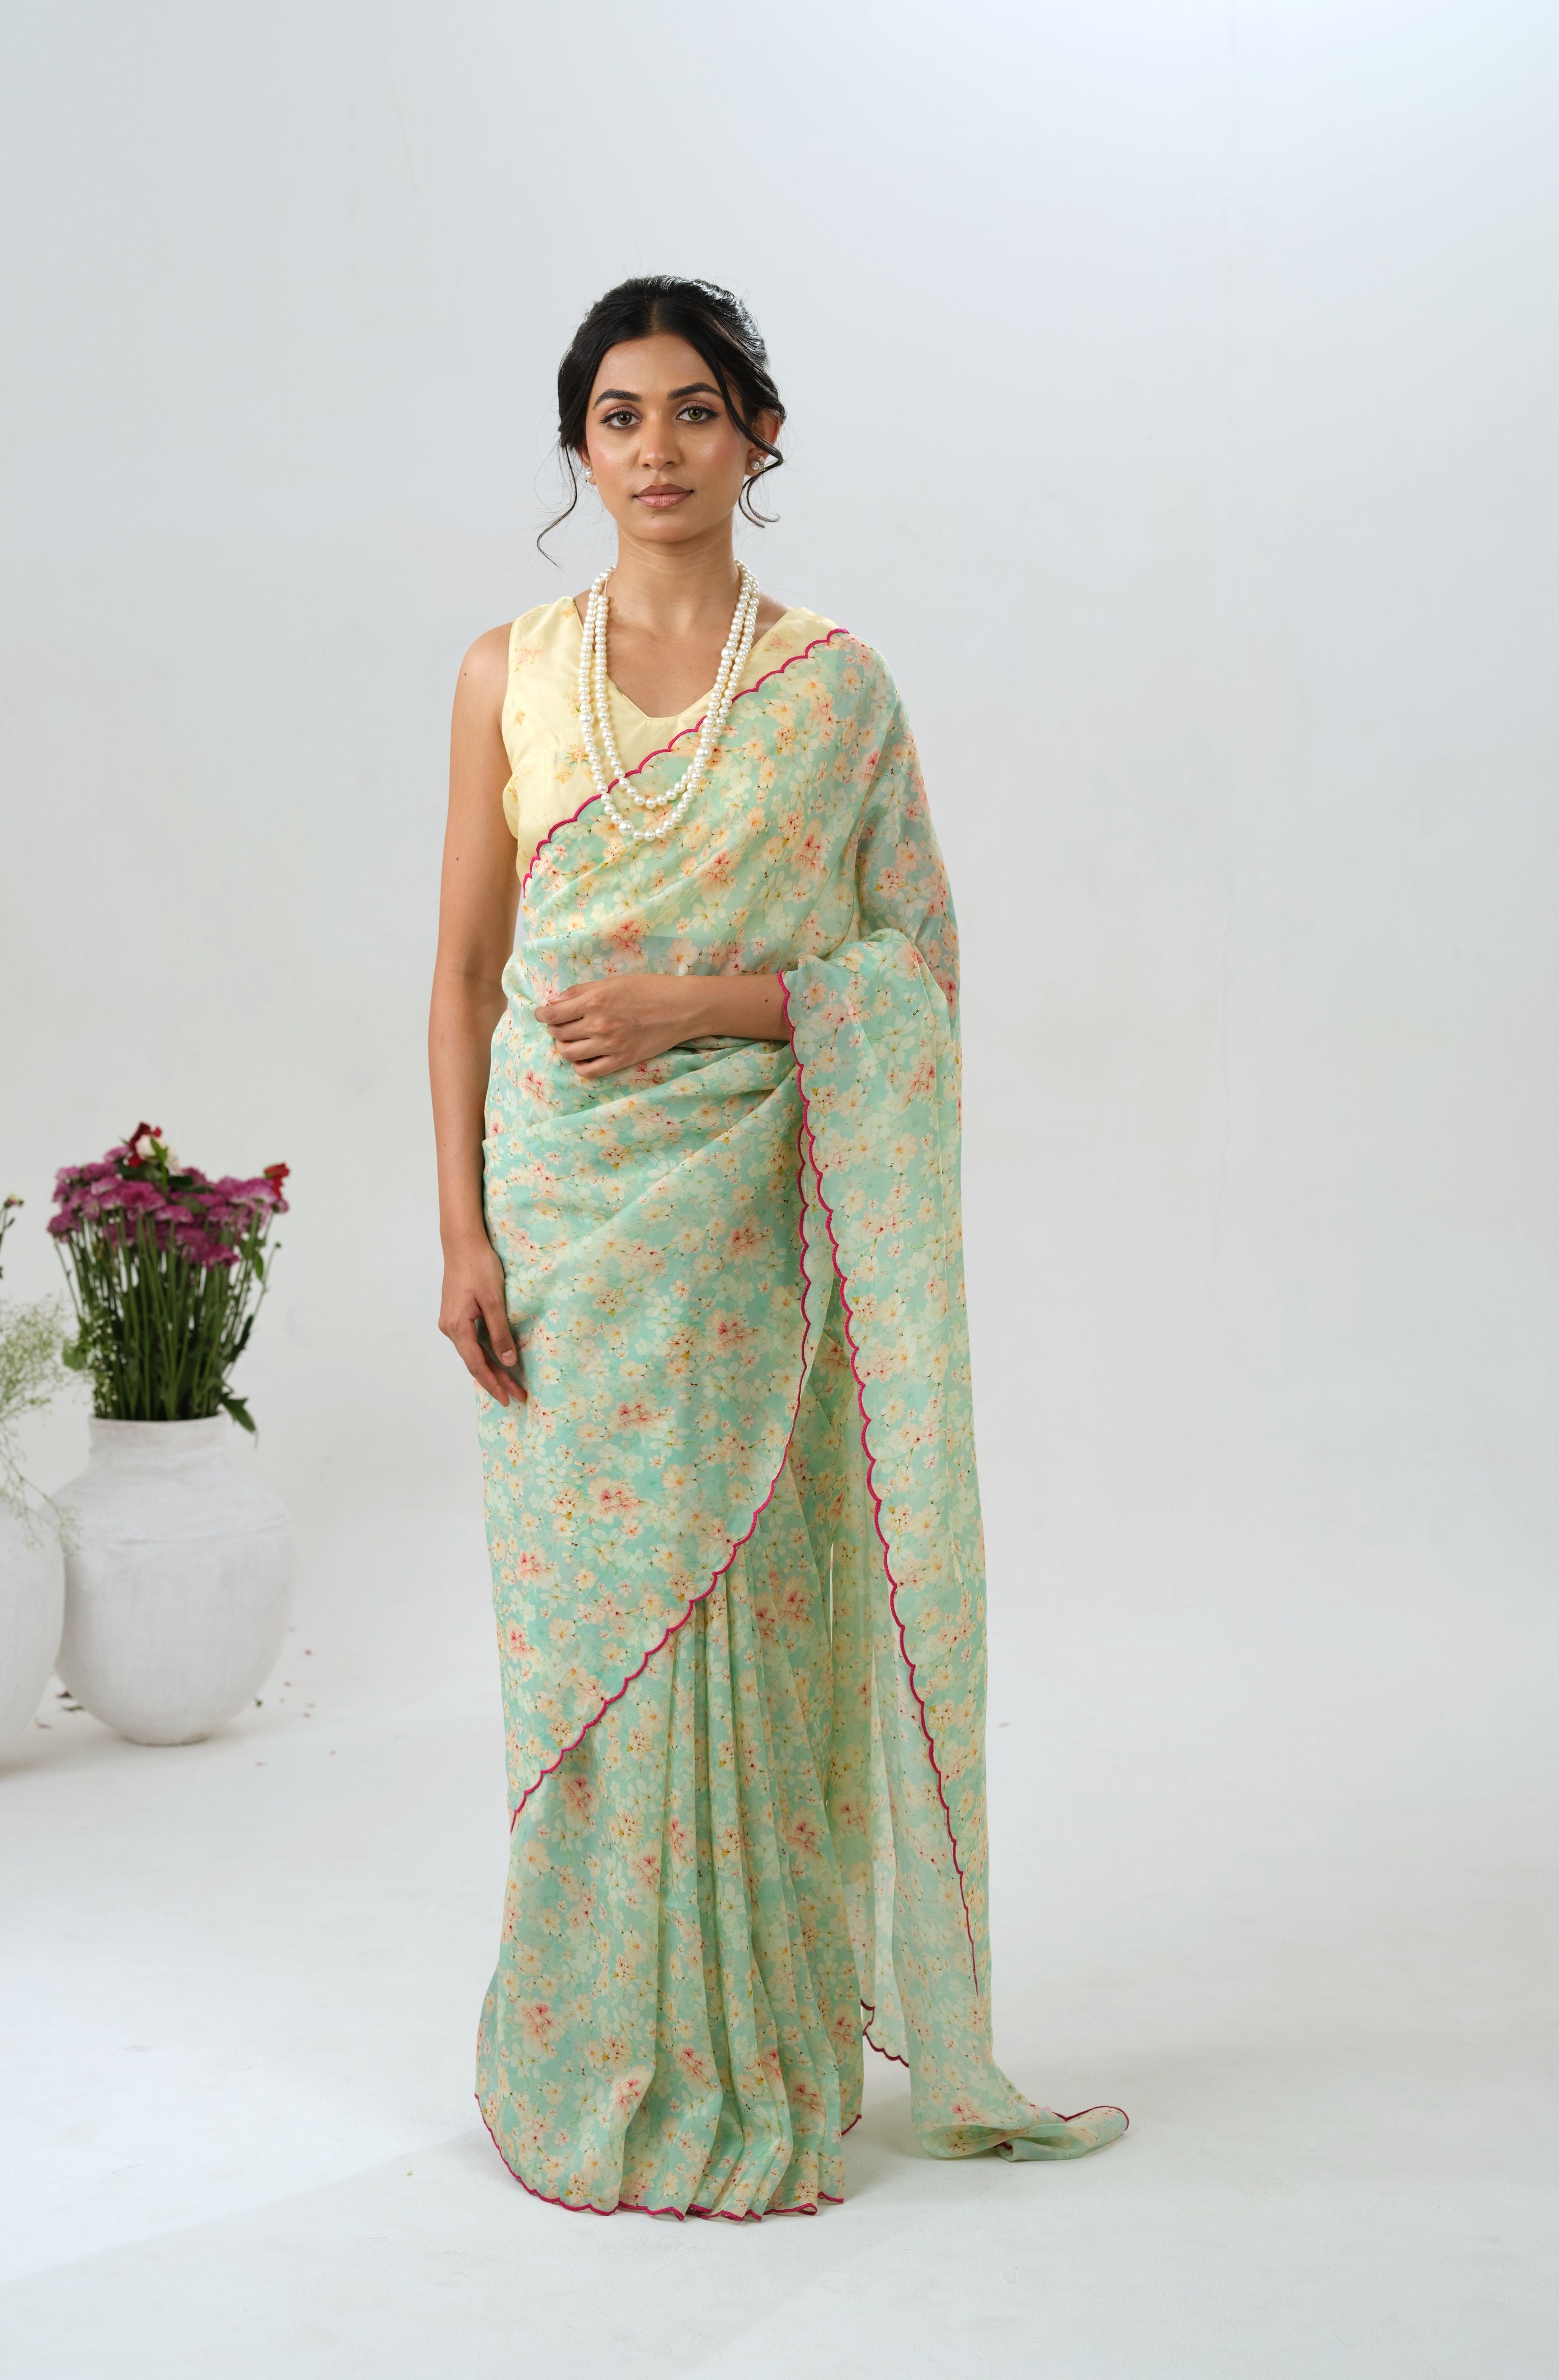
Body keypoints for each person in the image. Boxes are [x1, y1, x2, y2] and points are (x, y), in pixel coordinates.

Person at [428, 276, 1126, 2219]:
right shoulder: (507, 671)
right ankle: (597, 2046)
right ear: (580, 450)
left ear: (760, 436)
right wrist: (462, 1228)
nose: (657, 448)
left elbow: (916, 975)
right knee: (593, 1631)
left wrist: (707, 1007)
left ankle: (761, 2049)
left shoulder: (834, 691)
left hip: (752, 1220)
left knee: (751, 1610)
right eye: (619, 416)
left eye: (694, 410)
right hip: (564, 1222)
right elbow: (466, 968)